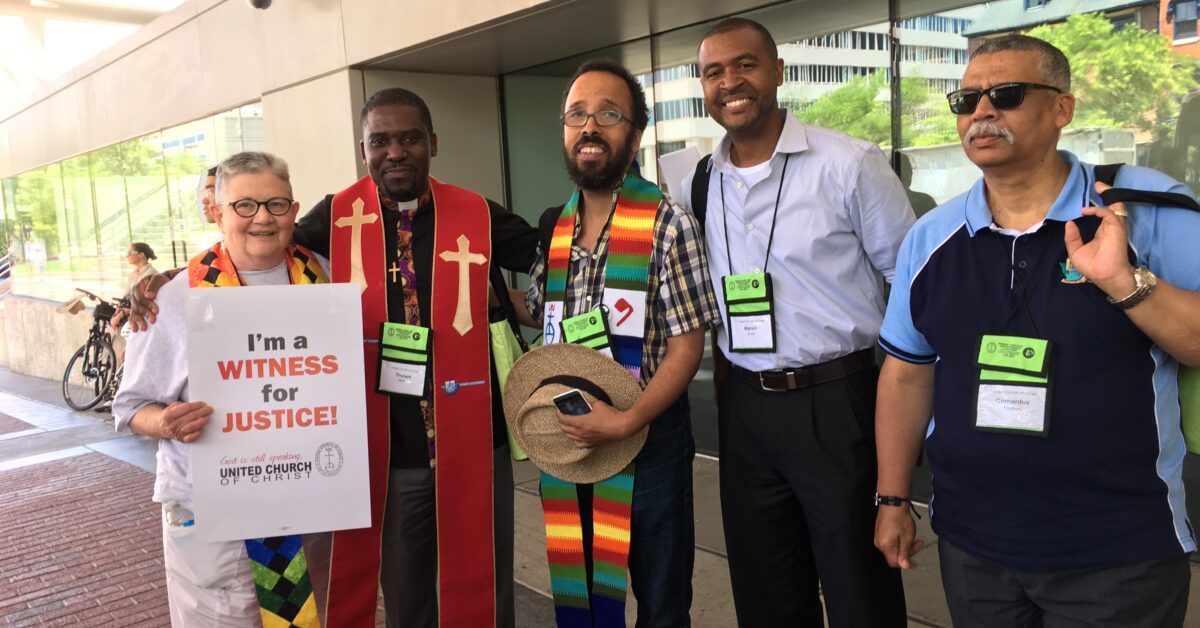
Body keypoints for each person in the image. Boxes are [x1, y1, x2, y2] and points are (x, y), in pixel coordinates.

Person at [874, 35, 1200, 627]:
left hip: (1117, 551)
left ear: (1061, 108)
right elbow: (906, 375)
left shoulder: (1141, 209)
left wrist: (1124, 282)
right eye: (966, 100)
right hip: (973, 545)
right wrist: (893, 498)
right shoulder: (931, 237)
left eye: (1006, 94)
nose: (982, 111)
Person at [677, 17, 913, 627]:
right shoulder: (699, 181)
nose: (730, 82)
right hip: (744, 406)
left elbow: (914, 286)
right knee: (766, 590)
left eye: (745, 65)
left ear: (777, 72)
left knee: (859, 589)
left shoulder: (850, 163)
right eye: (713, 72)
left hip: (837, 401)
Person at [289, 87, 538, 628]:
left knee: (486, 582)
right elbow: (261, 257)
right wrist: (171, 281)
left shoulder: (474, 212)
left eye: (410, 139)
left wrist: (507, 300)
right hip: (390, 445)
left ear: (433, 143)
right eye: (380, 141)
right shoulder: (336, 215)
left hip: (474, 432)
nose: (395, 152)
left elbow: (553, 256)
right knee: (405, 594)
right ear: (363, 149)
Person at [525, 59, 720, 627]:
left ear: (635, 137)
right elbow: (539, 312)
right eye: (577, 115)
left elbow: (687, 346)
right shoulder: (556, 227)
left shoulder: (667, 223)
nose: (589, 127)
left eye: (608, 115)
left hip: (649, 438)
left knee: (661, 603)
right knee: (581, 594)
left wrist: (626, 421)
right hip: (569, 436)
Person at [113, 152, 330, 627]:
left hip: (305, 499)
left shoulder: (326, 276)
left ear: (294, 210)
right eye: (244, 205)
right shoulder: (174, 297)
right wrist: (164, 422)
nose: (262, 218)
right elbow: (129, 407)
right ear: (217, 212)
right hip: (212, 510)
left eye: (276, 204)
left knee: (308, 615)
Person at [110, 242, 159, 333]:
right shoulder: (133, 273)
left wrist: (120, 315)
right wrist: (117, 312)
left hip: (143, 319)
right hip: (130, 312)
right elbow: (126, 295)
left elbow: (140, 302)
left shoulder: (150, 274)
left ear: (141, 255)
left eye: (129, 253)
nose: (127, 256)